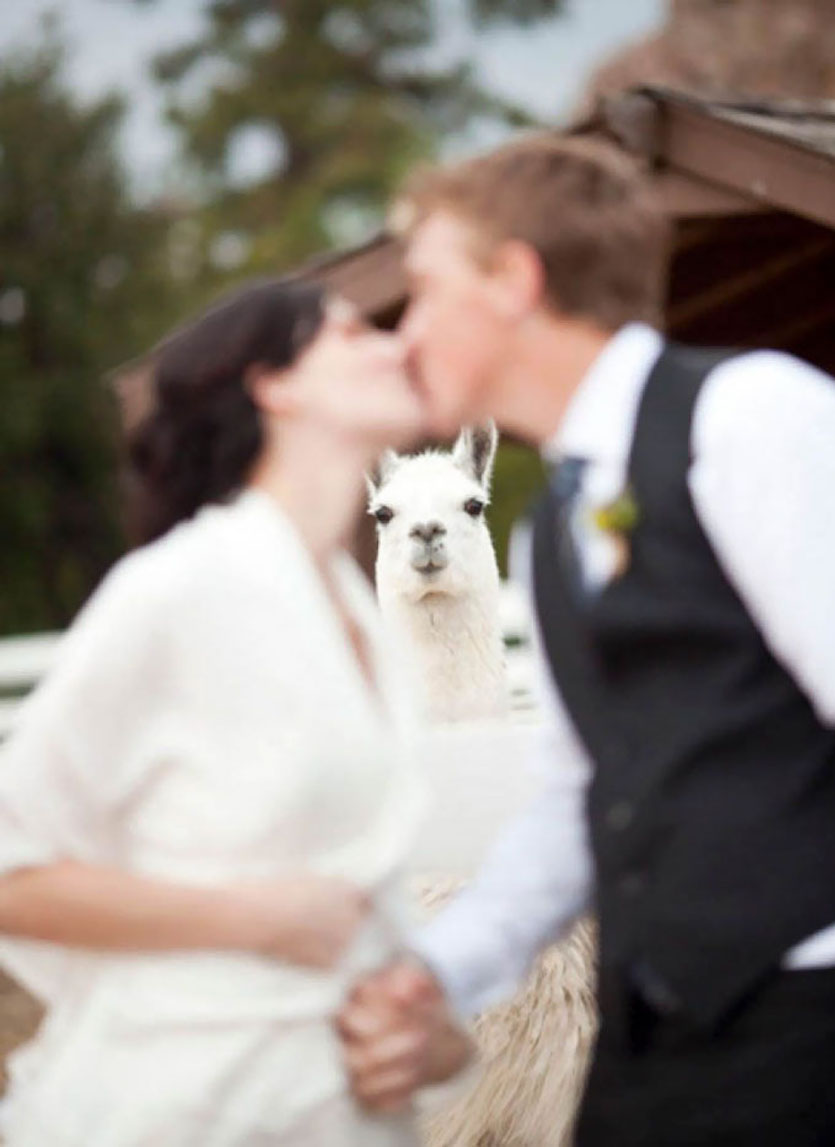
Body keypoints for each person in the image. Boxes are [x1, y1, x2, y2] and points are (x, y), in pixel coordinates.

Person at [337, 136, 835, 1145]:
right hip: (655, 1029)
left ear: (514, 282)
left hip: (810, 1010)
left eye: (428, 291)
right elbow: (585, 795)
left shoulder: (752, 422)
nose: (405, 332)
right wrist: (444, 969)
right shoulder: (558, 525)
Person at [0, 278, 468, 1147]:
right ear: (273, 383)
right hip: (175, 1109)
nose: (392, 345)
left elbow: (355, 898)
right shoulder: (179, 590)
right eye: (352, 333)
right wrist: (255, 921)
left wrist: (426, 1038)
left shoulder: (354, 611)